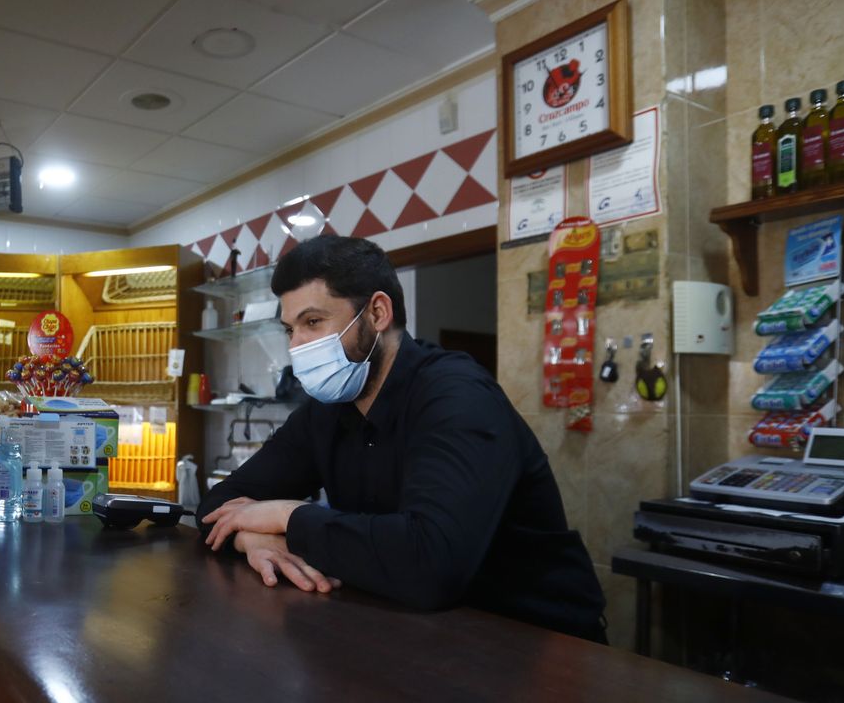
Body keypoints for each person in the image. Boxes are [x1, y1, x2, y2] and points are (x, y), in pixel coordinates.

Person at [198, 235, 605, 641]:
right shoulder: (326, 410)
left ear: (377, 313)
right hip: (413, 632)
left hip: (537, 641)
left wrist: (286, 516)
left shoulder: (458, 397)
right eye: (290, 329)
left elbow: (430, 565)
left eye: (313, 322)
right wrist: (251, 538)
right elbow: (218, 503)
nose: (296, 346)